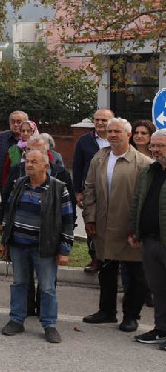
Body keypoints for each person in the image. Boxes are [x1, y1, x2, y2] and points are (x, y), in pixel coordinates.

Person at [0, 148, 74, 343]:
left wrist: (64, 250)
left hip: (45, 247)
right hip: (18, 245)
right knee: (19, 284)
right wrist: (5, 241)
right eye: (27, 161)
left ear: (46, 166)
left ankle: (49, 325)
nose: (28, 164)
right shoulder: (19, 184)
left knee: (47, 288)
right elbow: (9, 211)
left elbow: (67, 220)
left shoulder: (58, 188)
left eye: (33, 161)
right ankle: (16, 320)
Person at [83, 117, 152, 331]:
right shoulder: (100, 158)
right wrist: (90, 217)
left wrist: (139, 228)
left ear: (128, 135)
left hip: (129, 228)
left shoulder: (143, 163)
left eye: (117, 132)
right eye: (110, 131)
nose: (112, 135)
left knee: (136, 274)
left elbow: (147, 199)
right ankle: (106, 311)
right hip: (104, 226)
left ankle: (131, 315)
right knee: (107, 271)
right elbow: (90, 189)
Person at [128, 128, 166, 348]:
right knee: (158, 289)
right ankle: (161, 329)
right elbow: (137, 202)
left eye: (160, 146)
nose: (155, 150)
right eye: (153, 145)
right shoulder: (148, 171)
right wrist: (134, 229)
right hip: (150, 241)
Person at [73, 108, 112, 273]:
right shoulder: (84, 141)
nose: (100, 123)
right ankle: (95, 259)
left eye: (104, 120)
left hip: (112, 190)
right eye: (97, 120)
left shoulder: (117, 138)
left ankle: (112, 260)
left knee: (113, 226)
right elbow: (77, 166)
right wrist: (78, 191)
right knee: (91, 225)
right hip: (91, 191)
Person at [0, 110, 30, 195]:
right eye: (13, 122)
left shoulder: (32, 141)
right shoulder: (2, 137)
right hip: (4, 185)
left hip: (24, 187)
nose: (15, 124)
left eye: (19, 122)